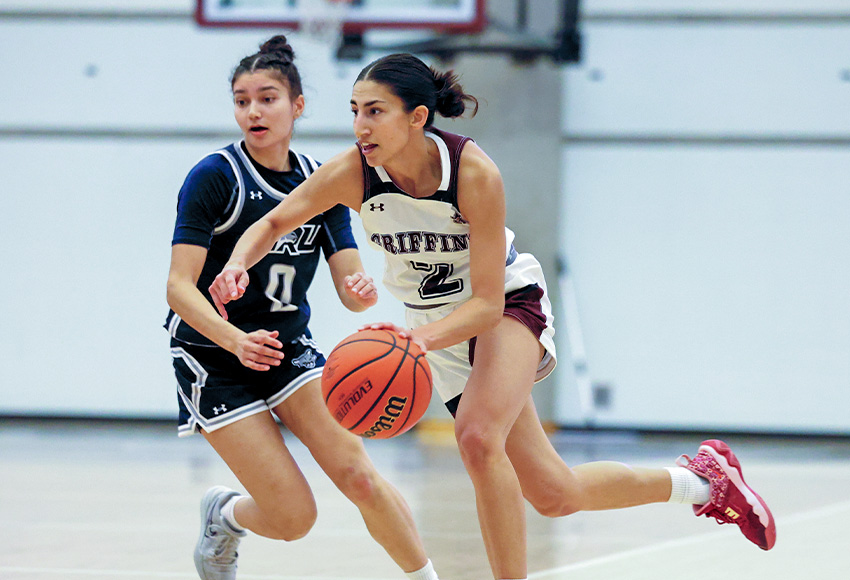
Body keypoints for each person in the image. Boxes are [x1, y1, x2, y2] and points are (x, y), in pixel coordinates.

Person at [208, 53, 777, 580]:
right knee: (553, 493)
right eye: (355, 111)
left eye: (375, 111)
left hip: (505, 305)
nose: (360, 125)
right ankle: (703, 483)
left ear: (417, 117)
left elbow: (484, 304)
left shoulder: (473, 174)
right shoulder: (353, 172)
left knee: (477, 438)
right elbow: (276, 222)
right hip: (435, 330)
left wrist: (413, 342)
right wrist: (236, 264)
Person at [165, 37, 443, 580]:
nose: (253, 111)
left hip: (288, 348)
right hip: (214, 356)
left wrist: (359, 290)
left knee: (360, 476)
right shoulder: (215, 176)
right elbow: (178, 288)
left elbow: (347, 281)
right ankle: (225, 514)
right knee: (295, 518)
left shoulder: (323, 177)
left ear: (297, 106)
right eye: (241, 100)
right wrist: (233, 339)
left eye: (267, 98)